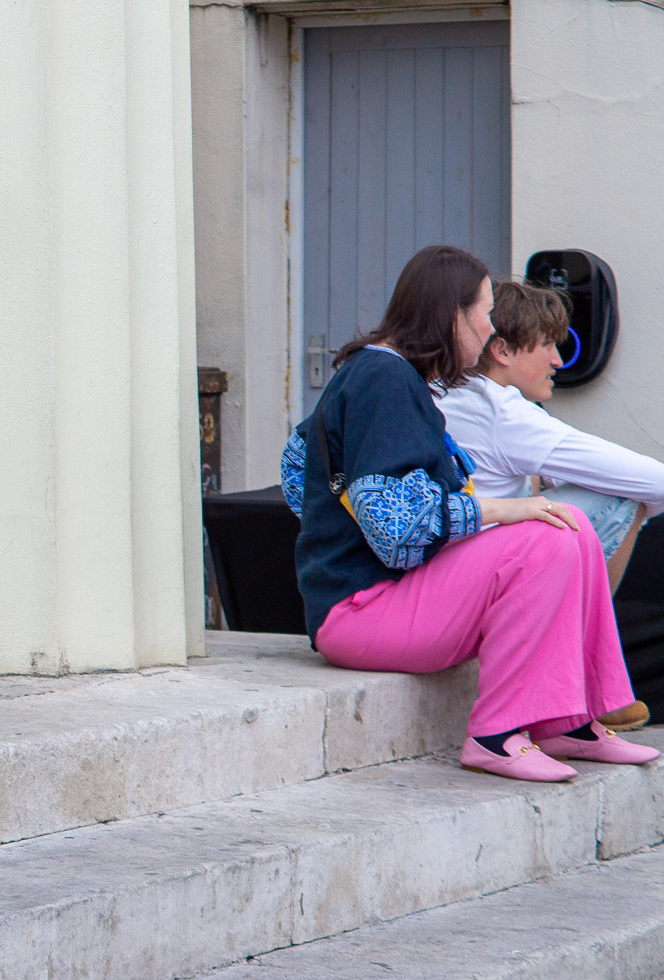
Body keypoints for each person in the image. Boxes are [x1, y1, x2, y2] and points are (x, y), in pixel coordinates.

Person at [281, 245, 658, 782]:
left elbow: (298, 467)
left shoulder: (387, 374)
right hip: (358, 611)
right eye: (484, 312)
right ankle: (495, 736)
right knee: (543, 535)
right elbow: (398, 531)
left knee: (567, 527)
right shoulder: (383, 377)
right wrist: (505, 508)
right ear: (452, 314)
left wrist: (334, 521)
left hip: (377, 597)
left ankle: (568, 722)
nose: (490, 328)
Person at [438, 278, 663, 730]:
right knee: (621, 497)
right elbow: (652, 481)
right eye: (547, 346)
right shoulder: (503, 411)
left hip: (441, 574)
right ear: (502, 350)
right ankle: (587, 673)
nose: (559, 360)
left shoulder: (449, 391)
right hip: (478, 585)